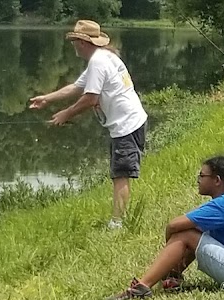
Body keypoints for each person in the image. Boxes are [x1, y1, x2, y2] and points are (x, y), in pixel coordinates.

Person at [29, 20, 147, 230]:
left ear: (83, 42)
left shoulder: (98, 62)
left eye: (75, 40)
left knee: (121, 174)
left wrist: (66, 113)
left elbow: (90, 98)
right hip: (129, 121)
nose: (73, 44)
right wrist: (47, 98)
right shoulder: (104, 57)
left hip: (126, 125)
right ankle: (118, 220)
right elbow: (77, 87)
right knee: (120, 173)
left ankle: (117, 223)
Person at [109, 156, 224, 300]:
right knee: (198, 231)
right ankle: (173, 277)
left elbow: (173, 225)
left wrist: (173, 244)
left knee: (186, 234)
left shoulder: (223, 204)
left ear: (217, 180)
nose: (198, 179)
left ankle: (142, 288)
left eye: (202, 175)